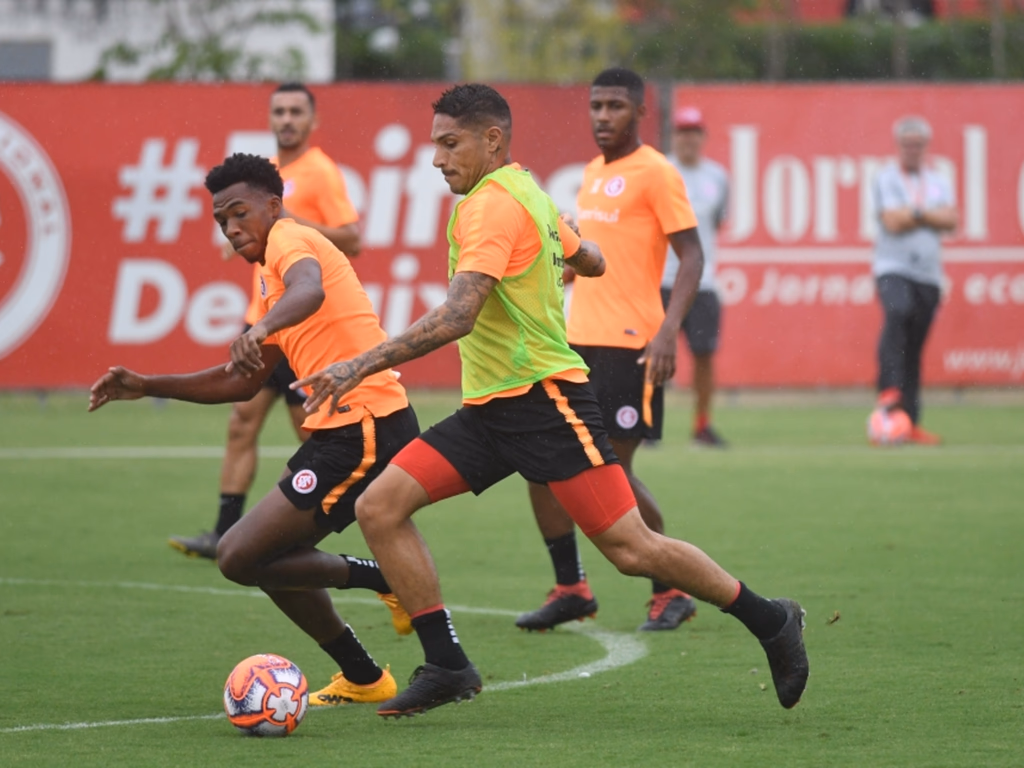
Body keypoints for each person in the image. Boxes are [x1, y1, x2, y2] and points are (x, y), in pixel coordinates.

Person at [293, 83, 809, 718]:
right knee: (381, 506)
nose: (437, 159)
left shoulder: (491, 206)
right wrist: (568, 258)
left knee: (630, 549)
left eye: (450, 144)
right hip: (489, 411)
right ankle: (448, 665)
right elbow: (587, 254)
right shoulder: (525, 190)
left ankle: (770, 619)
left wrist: (361, 362)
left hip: (545, 402)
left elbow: (458, 315)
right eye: (435, 145)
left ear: (493, 140)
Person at [90, 153, 416, 708]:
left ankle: (385, 577)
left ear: (273, 204)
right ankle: (364, 677)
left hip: (365, 423)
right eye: (222, 221)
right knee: (264, 559)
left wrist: (262, 324)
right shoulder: (268, 275)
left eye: (239, 213)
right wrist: (148, 384)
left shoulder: (290, 240)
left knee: (241, 556)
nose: (232, 227)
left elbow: (309, 289)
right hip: (341, 429)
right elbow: (239, 383)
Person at [517, 68, 705, 634]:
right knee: (542, 466)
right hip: (575, 344)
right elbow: (597, 261)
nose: (602, 116)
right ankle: (571, 586)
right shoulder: (594, 174)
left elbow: (692, 256)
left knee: (613, 474)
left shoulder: (657, 172)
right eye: (596, 105)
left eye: (615, 106)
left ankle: (671, 589)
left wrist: (669, 331)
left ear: (641, 112)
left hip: (633, 345)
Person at [170, 82, 362, 559]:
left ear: (313, 120)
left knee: (316, 436)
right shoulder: (264, 177)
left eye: (297, 111)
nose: (287, 119)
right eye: (279, 110)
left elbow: (352, 239)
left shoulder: (320, 172)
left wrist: (287, 221)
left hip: (299, 328)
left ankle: (326, 520)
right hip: (262, 318)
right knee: (241, 422)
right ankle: (223, 531)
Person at [872, 115, 956, 444]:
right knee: (897, 311)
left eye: (917, 144)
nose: (912, 150)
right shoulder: (886, 178)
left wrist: (915, 213)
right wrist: (927, 215)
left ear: (925, 147)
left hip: (929, 273)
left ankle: (911, 420)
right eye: (907, 144)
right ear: (898, 146)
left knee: (915, 344)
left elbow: (951, 220)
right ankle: (889, 392)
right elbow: (892, 222)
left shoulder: (938, 181)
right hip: (892, 266)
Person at [660, 105, 730, 448]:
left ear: (703, 137)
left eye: (694, 132)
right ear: (675, 137)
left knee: (704, 355)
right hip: (661, 279)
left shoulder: (717, 176)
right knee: (652, 354)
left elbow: (716, 223)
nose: (688, 139)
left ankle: (702, 425)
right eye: (683, 132)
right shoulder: (660, 171)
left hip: (703, 283)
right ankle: (645, 425)